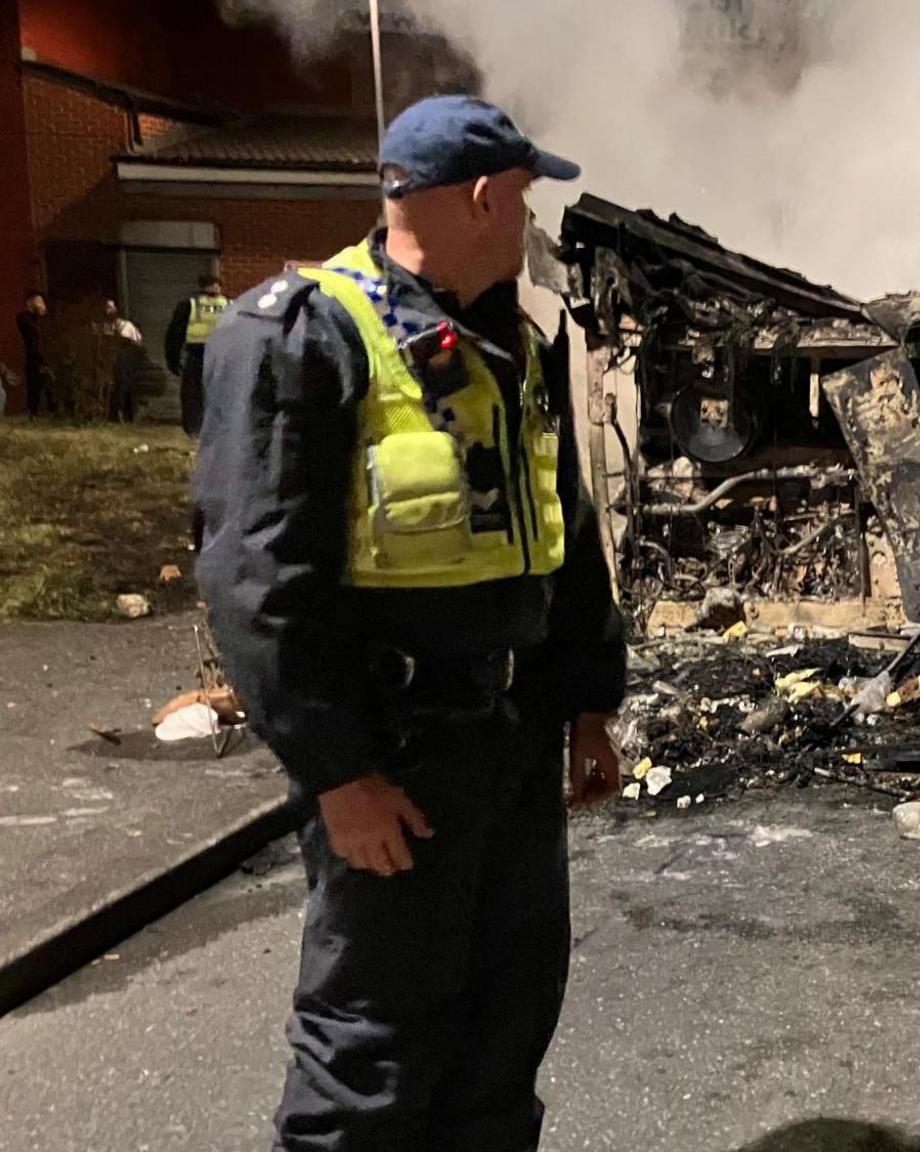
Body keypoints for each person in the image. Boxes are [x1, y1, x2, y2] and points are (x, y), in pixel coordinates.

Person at [195, 95, 626, 1150]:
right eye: (523, 197)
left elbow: (558, 536)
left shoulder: (507, 343)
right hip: (394, 759)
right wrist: (337, 776)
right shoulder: (300, 335)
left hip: (512, 748)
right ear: (483, 196)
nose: (529, 221)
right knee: (373, 1044)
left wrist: (586, 707)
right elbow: (257, 581)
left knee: (504, 1021)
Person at [166, 274, 231, 436]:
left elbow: (174, 334)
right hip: (220, 356)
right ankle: (218, 430)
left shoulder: (190, 304)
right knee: (220, 393)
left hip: (198, 354)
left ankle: (194, 430)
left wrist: (172, 359)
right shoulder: (230, 304)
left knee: (192, 395)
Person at [16, 290, 48, 416]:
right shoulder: (24, 318)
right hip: (33, 355)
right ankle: (33, 411)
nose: (41, 304)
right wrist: (40, 315)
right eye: (38, 301)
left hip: (45, 354)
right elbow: (33, 329)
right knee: (34, 383)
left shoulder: (43, 319)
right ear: (30, 302)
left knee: (46, 383)